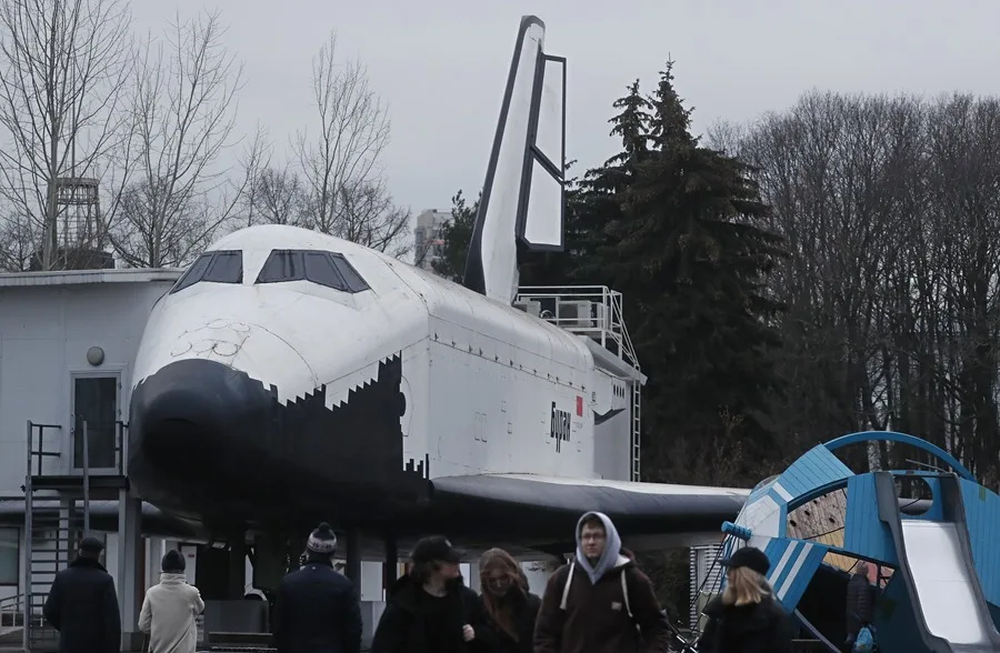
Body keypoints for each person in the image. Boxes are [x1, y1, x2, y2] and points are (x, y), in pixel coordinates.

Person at [534, 511, 670, 653]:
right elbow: (544, 633)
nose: (591, 542)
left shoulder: (631, 579)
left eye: (597, 536)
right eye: (586, 536)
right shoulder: (562, 579)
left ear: (609, 538)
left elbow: (657, 629)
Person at [370, 535, 495, 653]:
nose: (457, 563)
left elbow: (489, 637)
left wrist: (476, 634)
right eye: (449, 560)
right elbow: (383, 648)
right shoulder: (403, 605)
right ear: (431, 565)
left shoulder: (467, 598)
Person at [273, 522, 362, 653]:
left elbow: (278, 626)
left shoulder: (288, 583)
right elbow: (353, 630)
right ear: (332, 552)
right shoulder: (344, 585)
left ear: (309, 549)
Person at [697, 546, 794, 653]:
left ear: (746, 575)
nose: (728, 574)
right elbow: (704, 647)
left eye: (732, 569)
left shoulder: (773, 617)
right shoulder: (721, 610)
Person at [42, 536, 122, 653]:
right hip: (96, 646)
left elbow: (49, 610)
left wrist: (65, 627)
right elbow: (112, 620)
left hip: (69, 644)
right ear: (98, 555)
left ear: (79, 552)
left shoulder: (62, 577)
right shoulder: (105, 580)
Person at [138, 549, 205, 653]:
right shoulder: (191, 593)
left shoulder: (152, 593)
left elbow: (143, 625)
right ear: (182, 569)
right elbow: (200, 608)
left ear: (163, 568)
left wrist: (158, 629)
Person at [478, 548, 540, 653]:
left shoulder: (532, 604)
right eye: (492, 580)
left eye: (503, 578)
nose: (498, 584)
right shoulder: (479, 607)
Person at [844, 561, 875, 652]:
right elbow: (863, 604)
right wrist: (865, 621)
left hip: (850, 619)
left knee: (852, 644)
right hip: (859, 622)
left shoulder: (852, 583)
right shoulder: (863, 584)